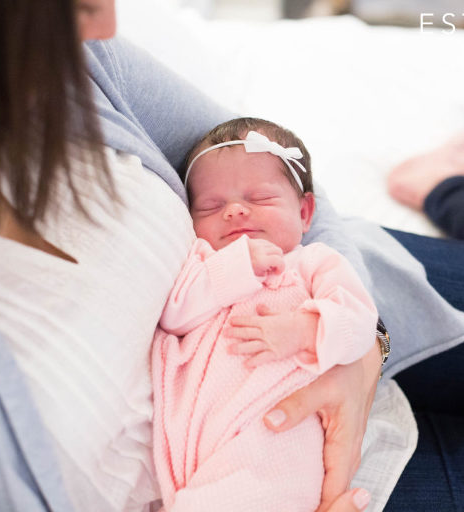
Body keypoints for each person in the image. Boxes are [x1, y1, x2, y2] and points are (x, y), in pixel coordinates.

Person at [0, 1, 464, 511]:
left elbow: (266, 161)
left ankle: (455, 185)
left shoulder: (71, 72)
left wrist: (361, 348)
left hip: (336, 309)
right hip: (281, 484)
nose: (108, 20)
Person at [152, 118, 377, 511]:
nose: (235, 211)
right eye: (211, 205)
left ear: (305, 212)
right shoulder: (202, 263)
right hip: (200, 437)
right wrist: (237, 266)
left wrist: (303, 330)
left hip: (278, 432)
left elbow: (360, 322)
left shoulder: (314, 263)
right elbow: (173, 315)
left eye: (260, 198)